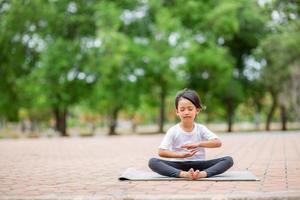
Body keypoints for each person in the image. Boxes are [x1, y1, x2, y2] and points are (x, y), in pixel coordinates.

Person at [148, 88, 233, 180]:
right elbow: (161, 152)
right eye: (182, 109)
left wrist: (198, 143)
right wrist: (181, 155)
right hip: (178, 166)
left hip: (200, 165)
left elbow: (218, 142)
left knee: (228, 160)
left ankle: (202, 174)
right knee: (152, 162)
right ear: (177, 112)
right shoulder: (173, 131)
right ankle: (183, 174)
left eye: (190, 109)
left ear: (197, 110)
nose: (186, 112)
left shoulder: (201, 129)